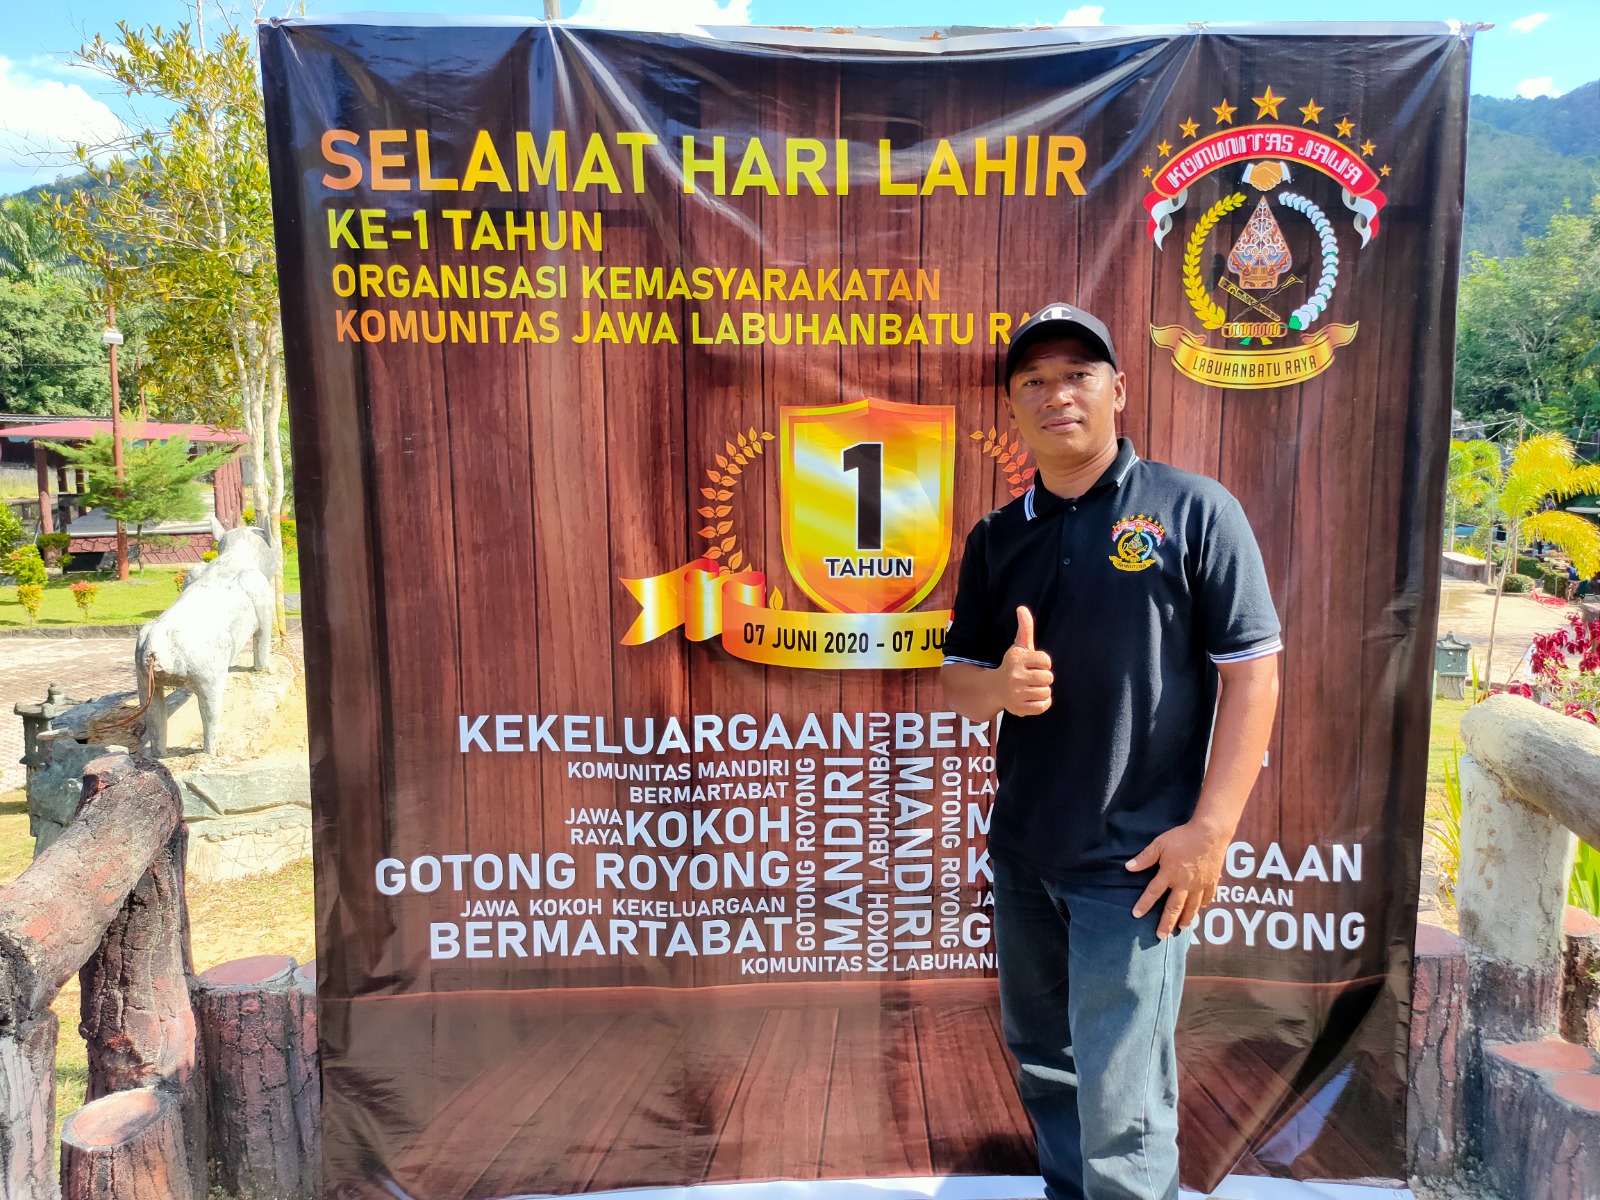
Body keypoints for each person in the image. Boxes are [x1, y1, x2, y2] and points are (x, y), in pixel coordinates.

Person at [940, 302, 1282, 1200]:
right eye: (1034, 382)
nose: (1057, 395)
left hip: (1135, 862)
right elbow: (958, 681)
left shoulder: (1194, 510)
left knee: (1123, 1106)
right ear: (1012, 410)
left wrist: (1210, 831)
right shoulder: (996, 536)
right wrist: (1000, 689)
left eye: (1078, 375)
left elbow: (1254, 677)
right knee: (1047, 1067)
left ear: (1118, 391)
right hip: (1024, 854)